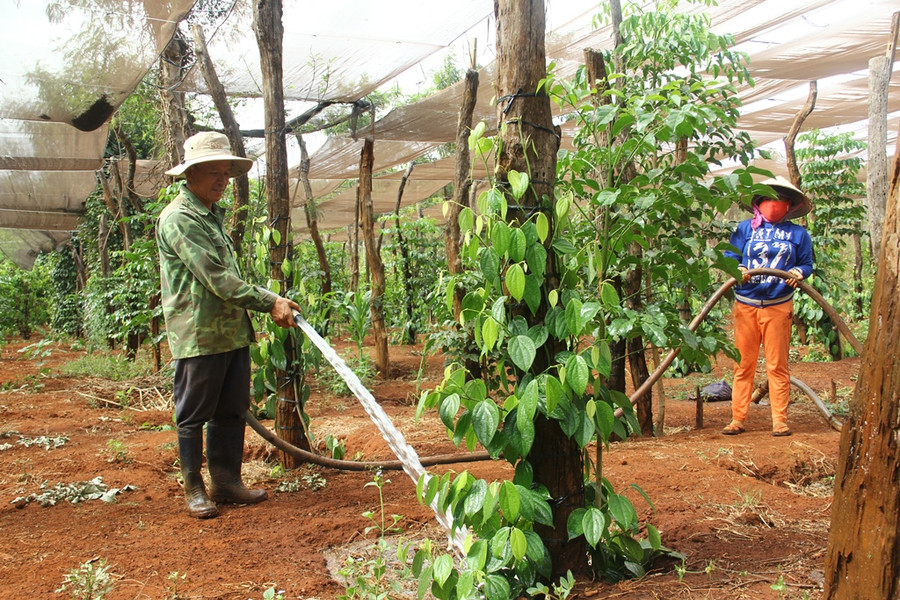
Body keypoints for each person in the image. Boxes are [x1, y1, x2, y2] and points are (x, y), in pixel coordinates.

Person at [157, 131, 301, 519]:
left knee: (232, 409)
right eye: (212, 172)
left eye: (226, 173)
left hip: (231, 331)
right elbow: (216, 277)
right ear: (190, 175)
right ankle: (194, 489)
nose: (222, 180)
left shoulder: (211, 216)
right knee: (193, 413)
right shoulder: (179, 219)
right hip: (199, 334)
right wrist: (269, 300)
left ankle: (226, 482)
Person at [722, 176, 813, 437]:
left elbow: (807, 263)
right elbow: (730, 256)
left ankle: (780, 421)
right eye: (769, 199)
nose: (775, 204)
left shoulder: (798, 234)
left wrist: (798, 272)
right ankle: (737, 418)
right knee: (743, 364)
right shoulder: (744, 229)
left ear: (790, 205)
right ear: (758, 203)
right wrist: (738, 268)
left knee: (777, 365)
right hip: (746, 303)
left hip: (778, 304)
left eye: (781, 200)